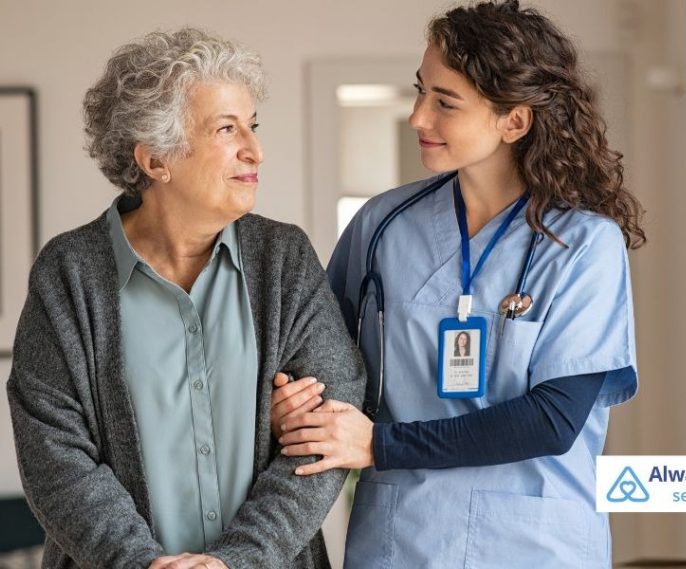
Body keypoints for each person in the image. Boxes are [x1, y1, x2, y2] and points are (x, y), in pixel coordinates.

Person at [270, 1, 644, 567]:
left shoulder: (584, 245)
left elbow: (552, 419)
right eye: (421, 91)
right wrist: (291, 405)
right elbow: (320, 364)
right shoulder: (381, 226)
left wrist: (379, 444)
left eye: (445, 102)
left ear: (514, 121)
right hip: (400, 542)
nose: (419, 117)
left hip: (533, 546)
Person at [6, 28, 364, 569]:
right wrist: (141, 562)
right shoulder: (69, 273)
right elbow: (54, 458)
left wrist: (237, 561)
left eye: (253, 124)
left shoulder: (284, 258)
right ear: (155, 160)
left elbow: (328, 432)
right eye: (227, 128)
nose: (255, 149)